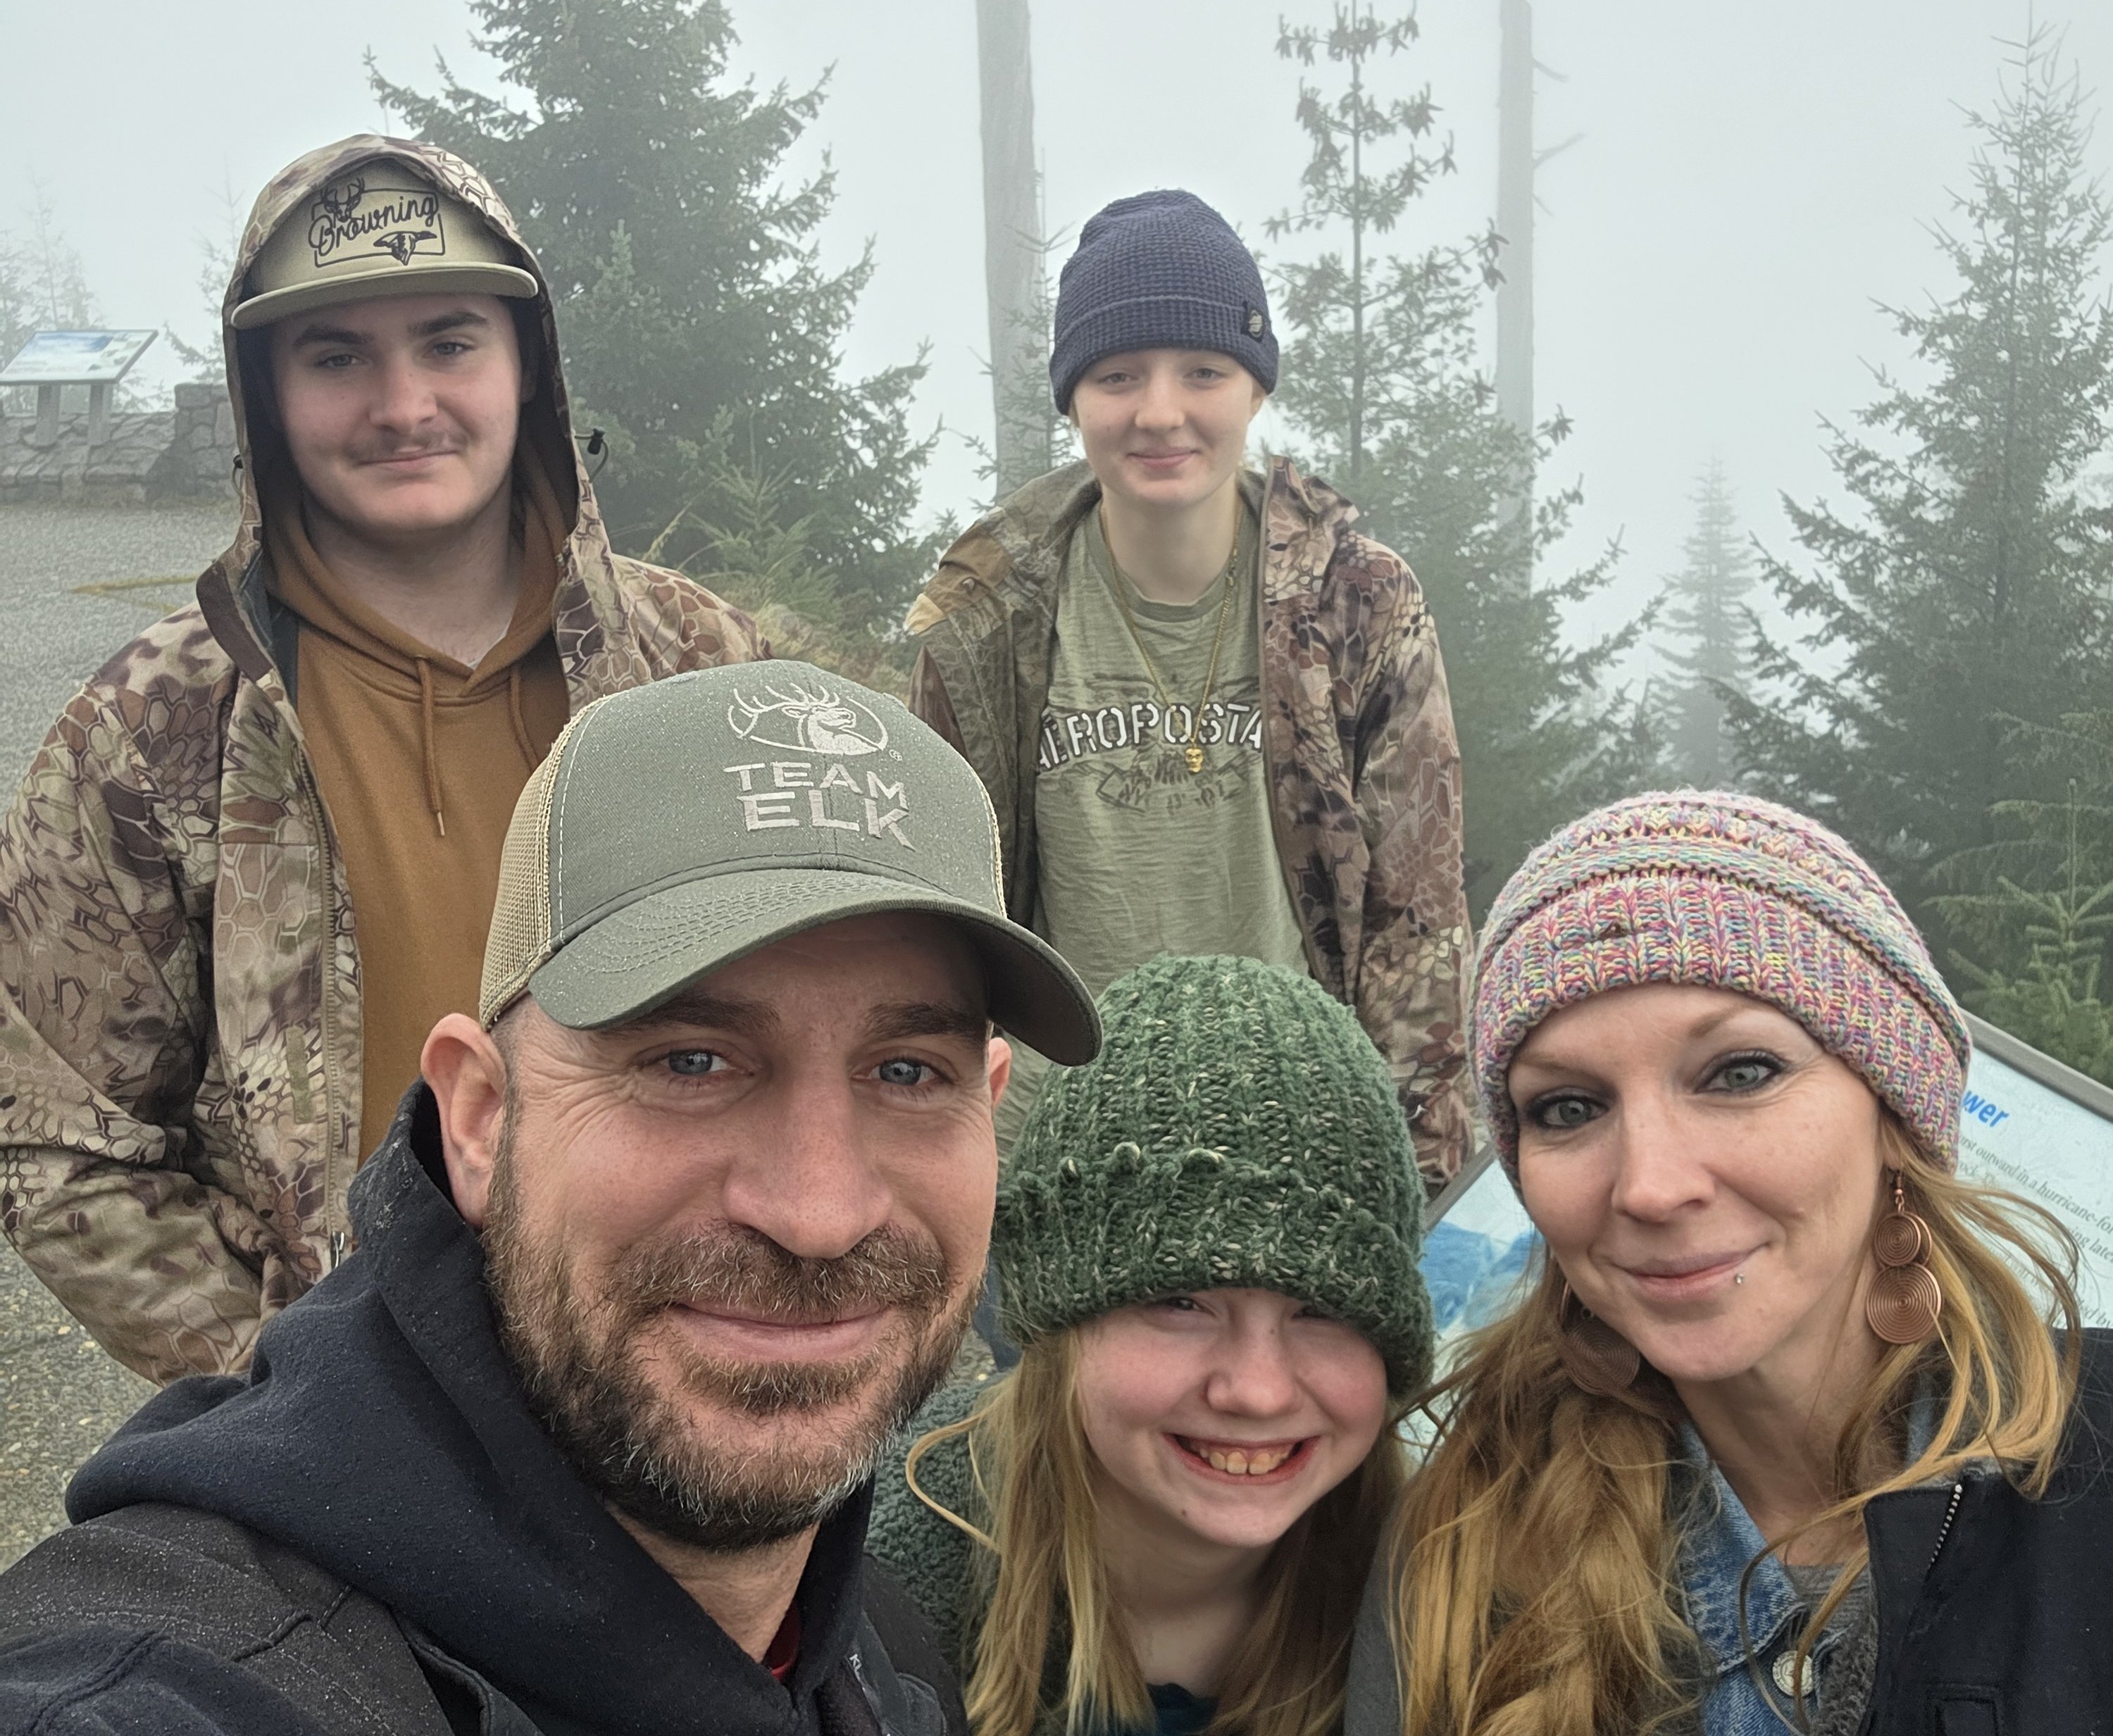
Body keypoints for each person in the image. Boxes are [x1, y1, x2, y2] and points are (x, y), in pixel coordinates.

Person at [0, 663, 1100, 1735]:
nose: (819, 1212)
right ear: (480, 1117)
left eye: (908, 1073)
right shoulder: (167, 1674)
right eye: (690, 1063)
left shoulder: (872, 1645)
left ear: (990, 1103)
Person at [0, 135, 768, 1385]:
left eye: (450, 341)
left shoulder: (705, 667)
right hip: (345, 1431)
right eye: (337, 355)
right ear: (263, 389)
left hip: (688, 1364)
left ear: (530, 365)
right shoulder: (152, 727)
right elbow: (55, 1136)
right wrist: (282, 1374)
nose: (403, 404)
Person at [1368, 791, 2113, 1736]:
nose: (1648, 1185)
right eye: (1567, 1107)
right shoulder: (1457, 1560)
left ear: (1895, 1111)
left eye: (1740, 1073)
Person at [905, 189, 1471, 1188]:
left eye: (1202, 371)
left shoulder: (1359, 605)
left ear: (1254, 389)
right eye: (1118, 374)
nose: (1160, 411)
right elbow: (933, 924)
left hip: (1294, 1142)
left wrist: (1413, 1182)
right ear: (1074, 397)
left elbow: (1415, 923)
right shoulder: (987, 617)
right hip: (1047, 1160)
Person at [868, 954, 1431, 1736]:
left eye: (1322, 1310)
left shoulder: (1449, 1593)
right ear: (1061, 1324)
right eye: (1180, 1301)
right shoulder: (874, 1590)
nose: (1259, 1390)